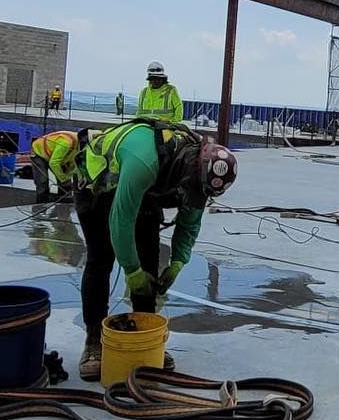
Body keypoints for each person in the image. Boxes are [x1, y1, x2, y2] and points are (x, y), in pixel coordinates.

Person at [72, 118, 237, 380]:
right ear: (189, 170)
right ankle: (94, 341)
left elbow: (190, 222)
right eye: (193, 188)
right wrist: (131, 271)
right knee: (101, 258)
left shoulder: (196, 175)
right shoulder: (145, 161)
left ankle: (143, 336)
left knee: (149, 258)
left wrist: (178, 262)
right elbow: (121, 221)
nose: (193, 193)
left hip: (145, 190)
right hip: (97, 186)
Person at [30, 129, 79, 203]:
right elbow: (54, 163)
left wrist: (67, 177)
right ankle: (42, 201)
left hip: (54, 153)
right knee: (42, 180)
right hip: (39, 151)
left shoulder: (80, 147)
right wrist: (64, 179)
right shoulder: (66, 143)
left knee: (64, 176)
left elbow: (72, 165)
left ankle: (64, 199)